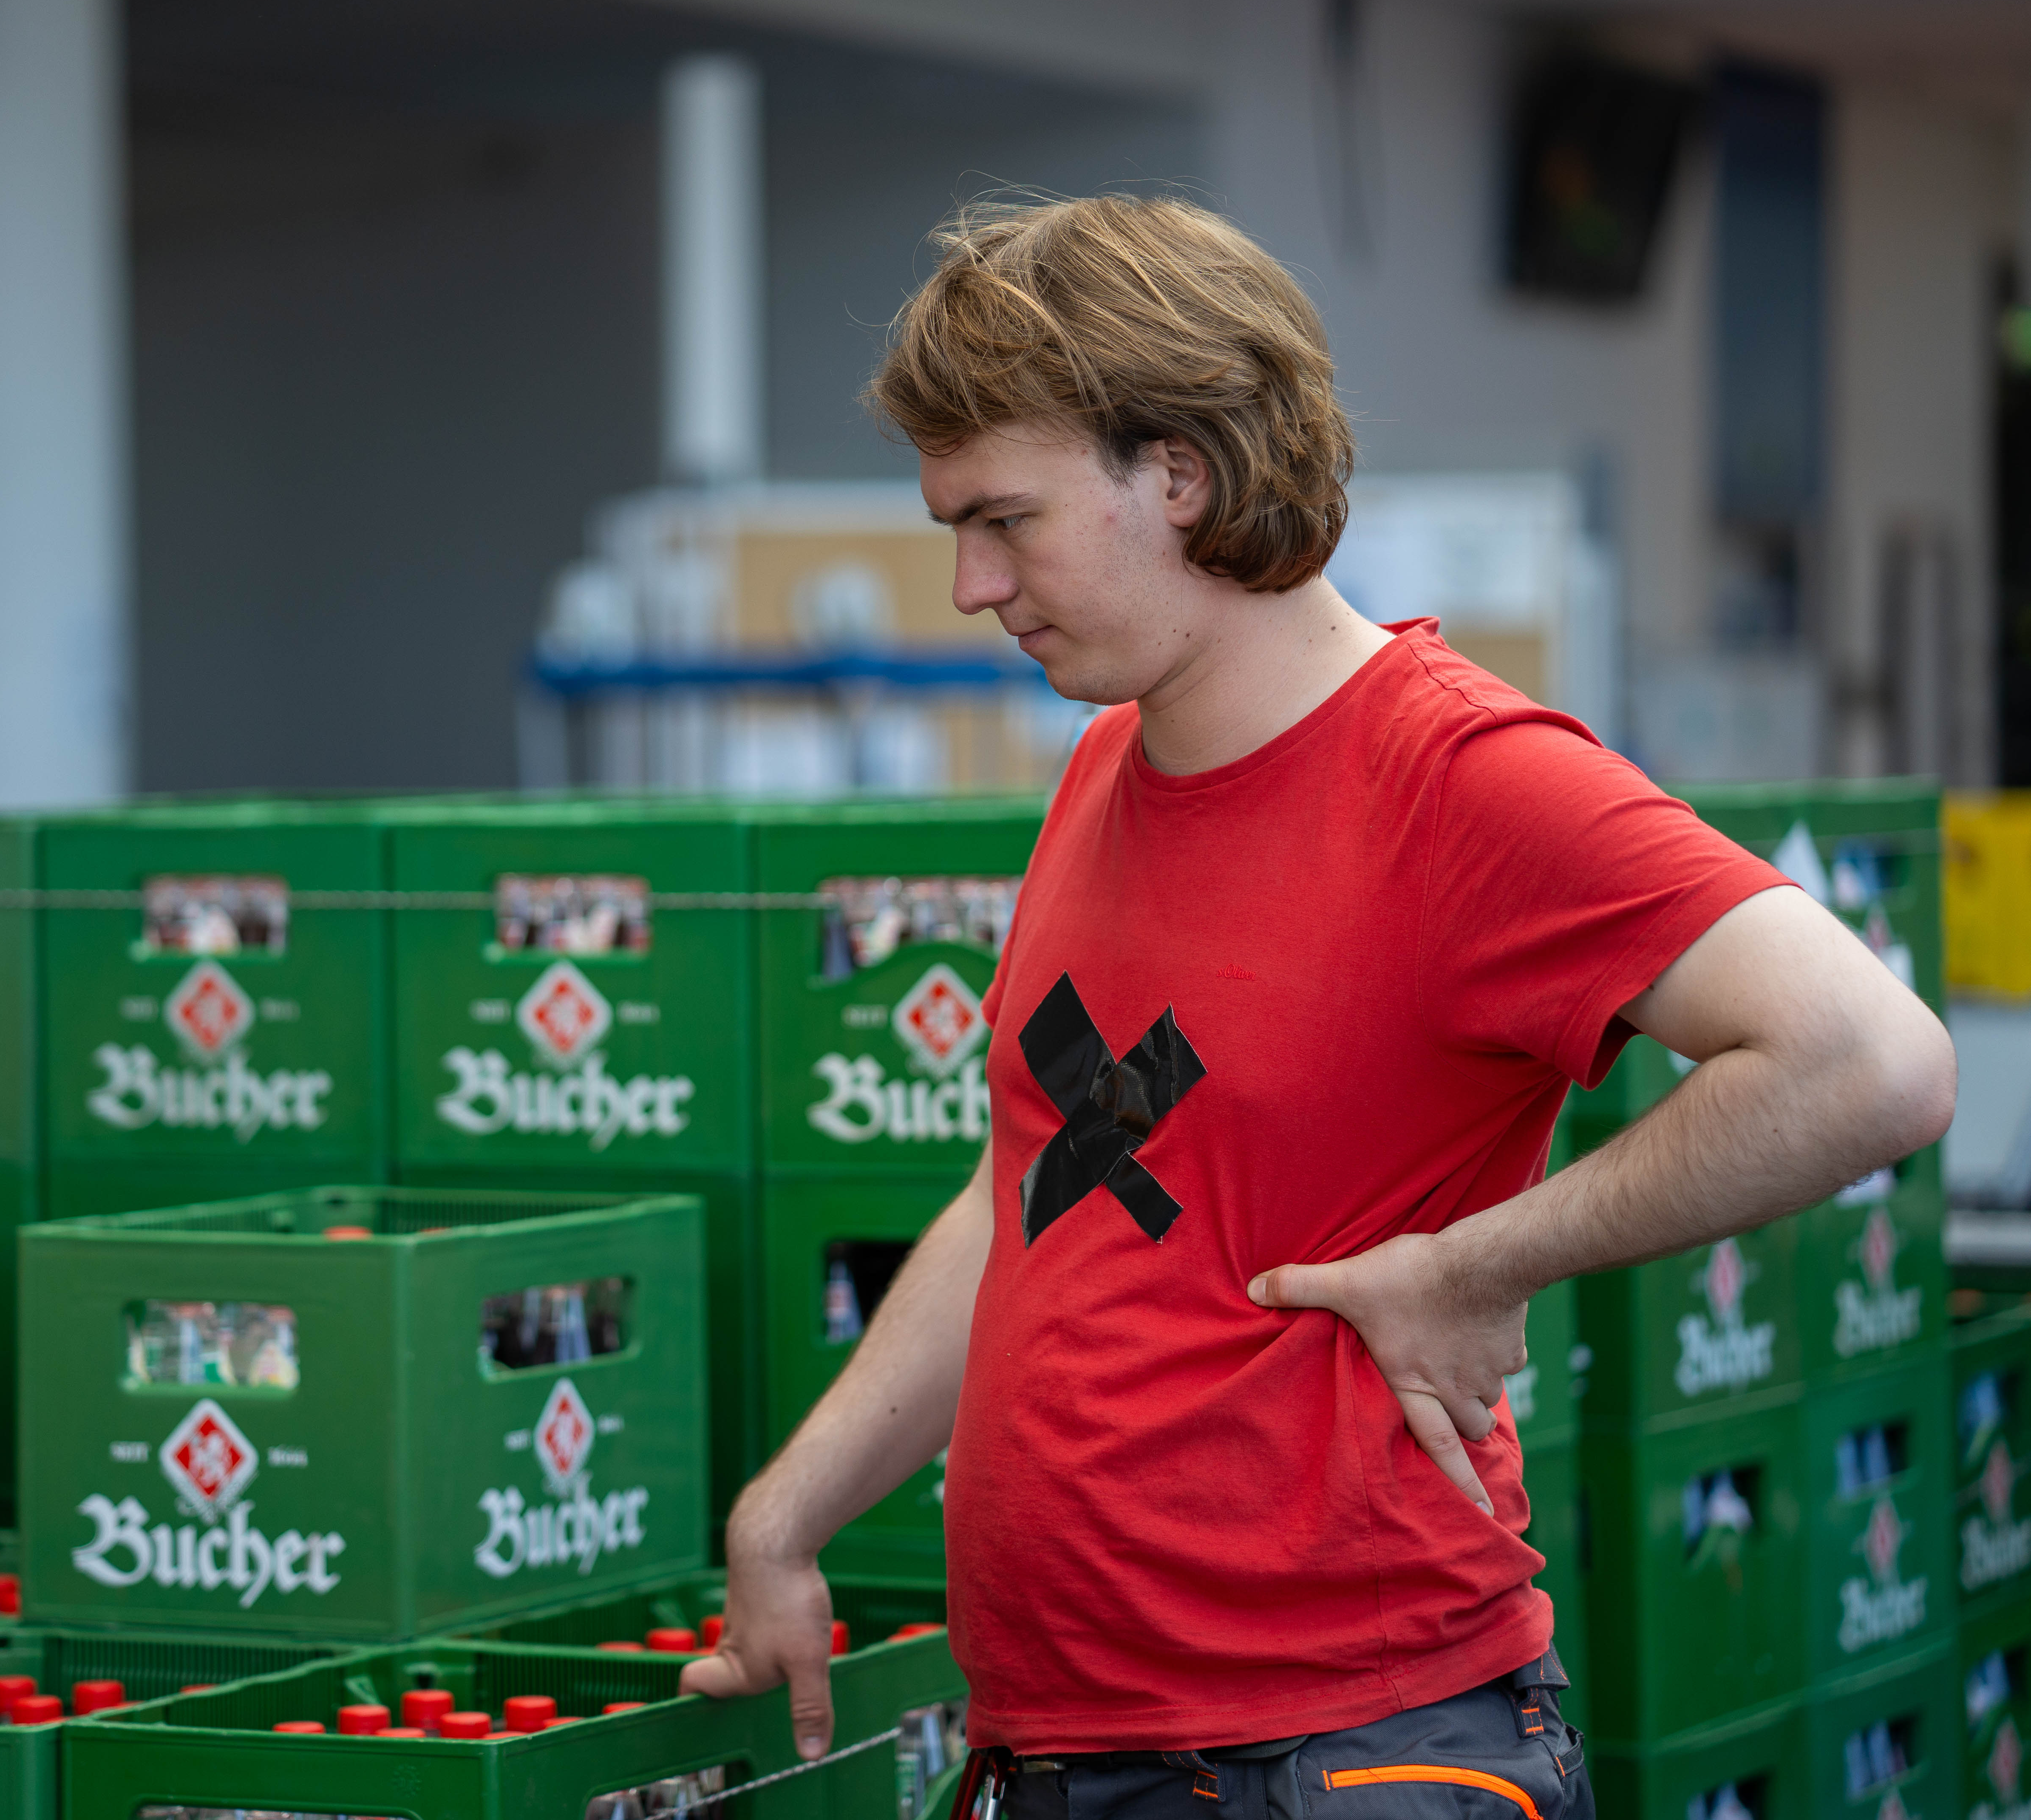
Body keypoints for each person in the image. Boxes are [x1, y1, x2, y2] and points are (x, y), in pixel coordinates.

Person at [678, 194, 1955, 1817]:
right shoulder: (1107, 767)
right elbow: (1039, 1191)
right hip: (1074, 1743)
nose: (970, 586)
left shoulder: (1462, 780)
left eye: (1006, 521)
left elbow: (1871, 1059)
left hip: (1347, 1753)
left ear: (1180, 476)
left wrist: (1480, 1263)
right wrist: (790, 1512)